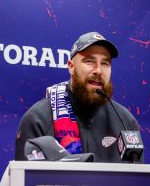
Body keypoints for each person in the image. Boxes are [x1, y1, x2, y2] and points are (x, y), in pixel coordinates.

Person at [15, 32, 143, 163]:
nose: (98, 70)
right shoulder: (38, 119)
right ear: (71, 66)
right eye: (89, 61)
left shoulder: (125, 121)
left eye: (105, 63)